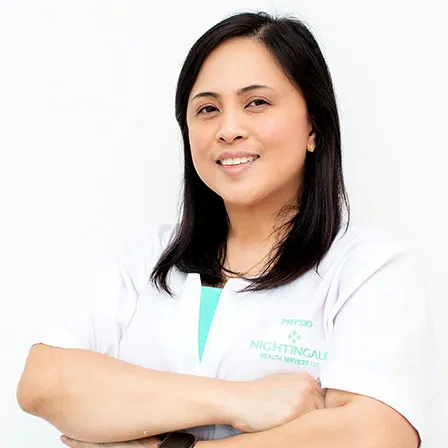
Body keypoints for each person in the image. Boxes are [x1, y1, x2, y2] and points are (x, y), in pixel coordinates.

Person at [17, 10, 432, 448]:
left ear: (313, 125)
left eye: (257, 103)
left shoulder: (368, 268)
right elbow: (44, 384)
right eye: (208, 109)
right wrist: (239, 400)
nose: (229, 129)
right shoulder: (144, 259)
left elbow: (374, 433)